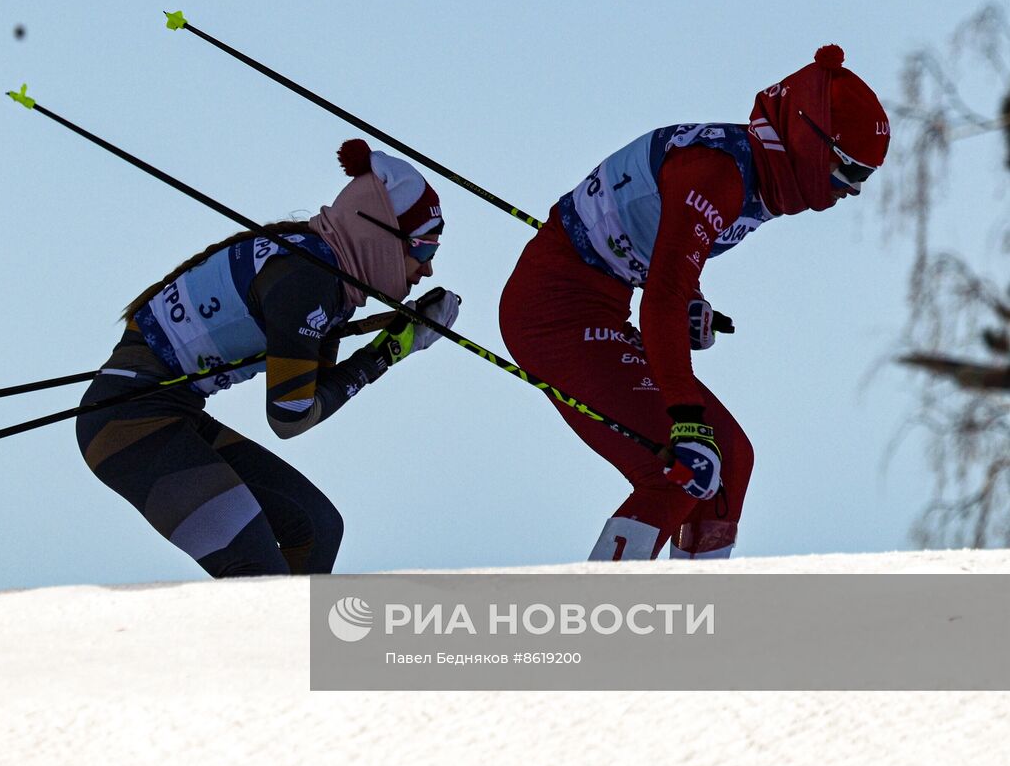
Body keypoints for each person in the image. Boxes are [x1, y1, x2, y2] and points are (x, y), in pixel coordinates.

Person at [498, 45, 890, 560]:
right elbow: (661, 298)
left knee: (730, 458)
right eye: (851, 171)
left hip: (598, 299)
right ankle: (600, 621)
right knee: (685, 469)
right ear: (809, 142)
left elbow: (673, 263)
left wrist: (693, 302)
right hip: (554, 313)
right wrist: (684, 414)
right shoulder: (718, 175)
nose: (854, 190)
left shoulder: (766, 171)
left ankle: (692, 621)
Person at [76, 140, 460, 577]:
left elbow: (312, 384)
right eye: (424, 250)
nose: (427, 268)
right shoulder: (309, 280)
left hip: (164, 411)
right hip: (127, 422)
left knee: (317, 527)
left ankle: (290, 644)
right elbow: (291, 415)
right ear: (380, 236)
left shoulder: (318, 268)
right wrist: (390, 351)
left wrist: (384, 337)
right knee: (255, 570)